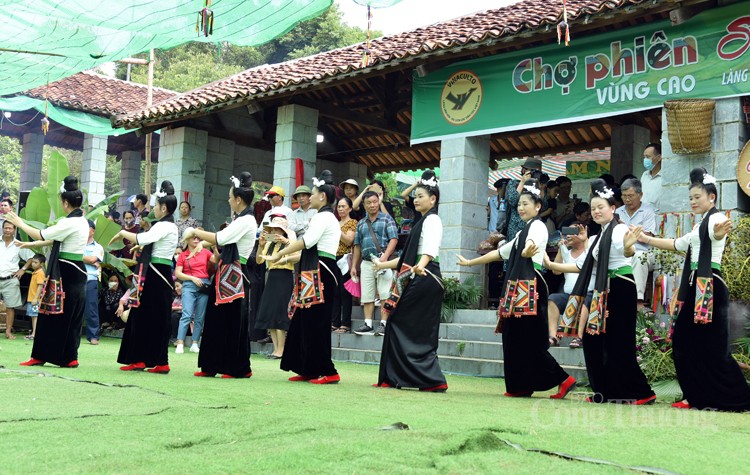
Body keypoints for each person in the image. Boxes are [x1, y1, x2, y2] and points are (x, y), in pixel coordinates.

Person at [640, 168, 750, 411]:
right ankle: (697, 394)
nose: (692, 202)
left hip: (709, 288)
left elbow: (717, 229)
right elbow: (677, 244)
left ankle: (735, 396)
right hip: (697, 287)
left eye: (697, 197)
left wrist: (718, 233)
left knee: (709, 347)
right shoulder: (699, 226)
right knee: (685, 342)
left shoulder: (714, 219)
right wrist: (646, 239)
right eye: (690, 198)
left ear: (711, 197)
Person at [457, 179, 575, 400]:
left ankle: (562, 379)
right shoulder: (523, 231)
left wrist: (528, 251)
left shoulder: (537, 226)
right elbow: (502, 253)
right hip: (519, 290)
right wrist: (470, 263)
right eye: (519, 204)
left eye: (525, 204)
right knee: (514, 338)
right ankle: (521, 385)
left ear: (538, 206)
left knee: (527, 339)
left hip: (531, 288)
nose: (520, 208)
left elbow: (531, 244)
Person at [551, 179, 655, 404]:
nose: (596, 211)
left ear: (613, 208)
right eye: (593, 208)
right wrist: (552, 266)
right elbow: (582, 266)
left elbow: (626, 250)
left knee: (619, 343)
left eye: (601, 207)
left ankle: (641, 393)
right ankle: (605, 391)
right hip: (606, 291)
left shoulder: (617, 230)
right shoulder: (600, 236)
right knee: (595, 340)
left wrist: (629, 246)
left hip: (621, 287)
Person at [264, 174, 342, 385]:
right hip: (315, 269)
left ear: (322, 197)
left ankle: (327, 370)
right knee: (304, 320)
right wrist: (285, 254)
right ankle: (307, 367)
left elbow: (307, 241)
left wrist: (280, 254)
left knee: (317, 321)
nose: (308, 198)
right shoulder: (324, 217)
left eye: (313, 194)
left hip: (321, 271)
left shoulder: (323, 217)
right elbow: (308, 248)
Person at [373, 174, 448, 391]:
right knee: (403, 323)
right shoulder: (420, 221)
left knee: (398, 320)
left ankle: (429, 378)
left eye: (421, 196)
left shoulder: (433, 219)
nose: (415, 200)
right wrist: (382, 265)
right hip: (419, 274)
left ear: (433, 199)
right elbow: (407, 257)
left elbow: (429, 250)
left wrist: (422, 265)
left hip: (427, 277)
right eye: (415, 196)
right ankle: (398, 376)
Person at [183, 172, 257, 379]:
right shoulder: (241, 219)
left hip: (236, 275)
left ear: (238, 199)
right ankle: (212, 364)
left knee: (232, 322)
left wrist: (195, 233)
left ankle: (238, 367)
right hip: (227, 273)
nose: (229, 199)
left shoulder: (247, 220)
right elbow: (221, 240)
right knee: (218, 320)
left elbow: (221, 238)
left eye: (230, 196)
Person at [10, 176, 89, 368]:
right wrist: (30, 243)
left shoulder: (68, 223)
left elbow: (43, 234)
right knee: (72, 316)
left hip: (66, 272)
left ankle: (41, 355)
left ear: (65, 202)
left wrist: (19, 222)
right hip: (77, 271)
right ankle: (70, 356)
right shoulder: (82, 221)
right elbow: (54, 240)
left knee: (51, 314)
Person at [111, 181, 178, 374]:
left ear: (164, 208)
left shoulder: (165, 225)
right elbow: (148, 242)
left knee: (155, 318)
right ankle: (141, 358)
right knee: (143, 316)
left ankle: (158, 361)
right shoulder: (164, 225)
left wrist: (123, 232)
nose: (154, 209)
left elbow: (143, 238)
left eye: (156, 206)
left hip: (157, 274)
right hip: (155, 273)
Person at [351, 191, 399, 336]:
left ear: (378, 202)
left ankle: (384, 324)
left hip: (383, 260)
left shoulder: (386, 219)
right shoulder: (361, 223)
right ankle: (368, 324)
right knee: (367, 294)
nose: (372, 205)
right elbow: (357, 246)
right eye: (369, 203)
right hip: (366, 262)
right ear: (364, 205)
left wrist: (385, 257)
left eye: (374, 201)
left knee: (385, 293)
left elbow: (394, 239)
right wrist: (354, 265)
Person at [255, 217, 299, 359]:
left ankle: (281, 349)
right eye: (272, 229)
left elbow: (298, 256)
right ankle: (276, 349)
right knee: (270, 313)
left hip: (284, 276)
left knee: (280, 313)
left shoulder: (290, 243)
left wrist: (286, 247)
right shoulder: (269, 244)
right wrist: (261, 245)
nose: (273, 231)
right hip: (272, 276)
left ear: (283, 231)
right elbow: (259, 260)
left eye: (276, 229)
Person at [544, 223, 593, 349]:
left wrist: (585, 239)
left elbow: (591, 256)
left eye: (573, 232)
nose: (568, 236)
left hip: (587, 294)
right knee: (553, 299)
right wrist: (561, 248)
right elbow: (556, 271)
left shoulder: (589, 250)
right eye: (567, 232)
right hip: (569, 295)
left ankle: (579, 337)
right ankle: (553, 336)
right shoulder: (567, 252)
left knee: (585, 300)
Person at [174, 230, 218, 354]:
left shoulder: (205, 252)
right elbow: (178, 273)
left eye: (197, 238)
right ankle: (180, 342)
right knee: (186, 314)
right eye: (193, 238)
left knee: (200, 316)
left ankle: (195, 343)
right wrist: (192, 278)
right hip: (189, 284)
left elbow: (215, 260)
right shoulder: (183, 255)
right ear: (187, 239)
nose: (196, 240)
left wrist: (214, 249)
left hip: (204, 285)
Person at [616, 179, 657, 311]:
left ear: (640, 195)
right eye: (624, 196)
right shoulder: (617, 212)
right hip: (625, 251)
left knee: (639, 257)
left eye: (631, 196)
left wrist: (629, 231)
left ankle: (637, 299)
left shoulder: (648, 211)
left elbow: (649, 237)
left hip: (645, 253)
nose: (627, 199)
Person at [0, 221, 34, 339]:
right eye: (5, 228)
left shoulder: (18, 244)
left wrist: (23, 269)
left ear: (14, 230)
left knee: (11, 307)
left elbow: (31, 257)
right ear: (2, 228)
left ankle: (8, 332)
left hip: (10, 279)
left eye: (10, 228)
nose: (7, 230)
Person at [333, 197, 358, 333]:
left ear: (349, 208)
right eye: (339, 206)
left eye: (343, 206)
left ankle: (345, 323)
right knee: (335, 292)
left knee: (345, 292)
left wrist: (337, 229)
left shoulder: (352, 222)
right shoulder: (337, 222)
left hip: (345, 259)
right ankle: (335, 322)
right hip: (333, 258)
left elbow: (349, 241)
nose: (341, 209)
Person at [506, 158, 544, 242]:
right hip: (516, 227)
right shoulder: (514, 184)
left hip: (533, 227)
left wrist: (541, 188)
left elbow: (544, 206)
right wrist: (523, 182)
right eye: (532, 171)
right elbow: (512, 201)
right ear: (524, 170)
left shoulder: (538, 186)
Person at [83, 219, 104, 345]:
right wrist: (89, 260)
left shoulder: (98, 247)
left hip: (91, 279)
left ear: (93, 230)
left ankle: (93, 335)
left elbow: (92, 259)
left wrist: (79, 258)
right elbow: (90, 260)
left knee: (91, 309)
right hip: (76, 278)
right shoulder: (76, 244)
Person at [24, 254, 46, 340]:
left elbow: (40, 286)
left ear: (41, 264)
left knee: (35, 316)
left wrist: (35, 298)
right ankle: (33, 333)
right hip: (32, 298)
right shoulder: (36, 272)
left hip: (34, 299)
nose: (33, 264)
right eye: (32, 262)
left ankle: (34, 334)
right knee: (33, 316)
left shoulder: (40, 273)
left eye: (35, 262)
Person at [641, 143, 663, 211]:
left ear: (659, 157)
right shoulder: (644, 175)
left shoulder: (665, 177)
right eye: (644, 157)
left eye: (648, 157)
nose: (645, 160)